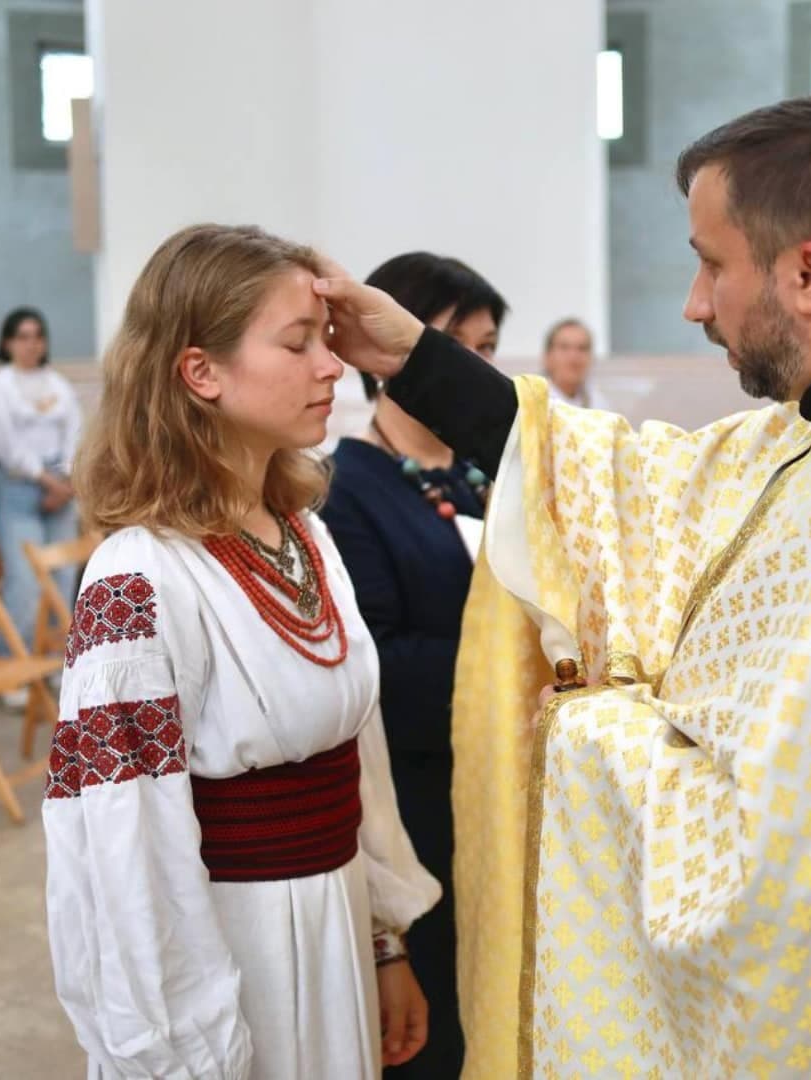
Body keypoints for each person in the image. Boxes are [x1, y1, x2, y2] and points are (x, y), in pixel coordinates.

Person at [313, 95, 811, 1076]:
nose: (693, 304)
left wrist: (577, 727)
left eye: (712, 262)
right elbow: (639, 481)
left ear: (807, 274)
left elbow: (792, 873)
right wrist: (415, 358)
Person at [42, 224, 440, 1079]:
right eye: (299, 343)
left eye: (328, 344)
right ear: (202, 372)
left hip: (332, 916)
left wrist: (383, 943)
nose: (333, 367)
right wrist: (181, 1042)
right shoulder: (138, 576)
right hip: (234, 948)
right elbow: (123, 846)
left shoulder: (303, 530)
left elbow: (353, 751)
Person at [321, 251, 507, 1079]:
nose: (472, 364)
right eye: (452, 340)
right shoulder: (344, 487)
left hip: (499, 784)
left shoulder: (482, 476)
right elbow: (378, 665)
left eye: (487, 344)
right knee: (436, 1026)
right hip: (420, 797)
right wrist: (515, 665)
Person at [0, 308, 82, 694]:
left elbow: (74, 433)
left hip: (60, 486)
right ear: (8, 342)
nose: (31, 343)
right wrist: (46, 481)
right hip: (18, 486)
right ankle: (15, 668)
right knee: (24, 581)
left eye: (38, 336)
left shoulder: (58, 384)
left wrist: (66, 478)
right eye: (22, 336)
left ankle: (57, 666)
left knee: (62, 577)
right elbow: (7, 446)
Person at [541, 317, 605, 408]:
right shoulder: (529, 403)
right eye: (564, 347)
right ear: (547, 357)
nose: (574, 356)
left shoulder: (599, 403)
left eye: (582, 348)